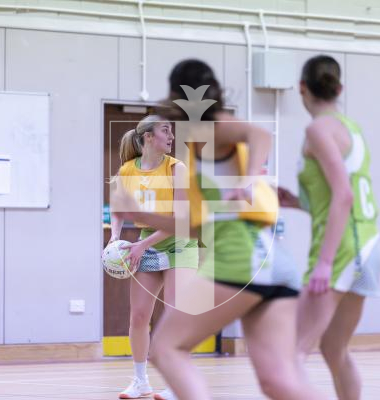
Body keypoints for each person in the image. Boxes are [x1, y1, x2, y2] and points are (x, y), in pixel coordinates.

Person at [112, 59, 326, 400]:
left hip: (239, 260)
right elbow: (190, 226)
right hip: (273, 263)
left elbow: (259, 134)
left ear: (177, 95)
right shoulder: (198, 147)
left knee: (167, 348)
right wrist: (139, 214)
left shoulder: (210, 128)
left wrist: (248, 179)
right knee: (277, 383)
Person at [278, 54, 380, 400]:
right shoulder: (351, 129)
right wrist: (298, 202)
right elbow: (341, 193)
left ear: (301, 88)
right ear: (340, 89)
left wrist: (325, 263)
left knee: (291, 352)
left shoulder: (318, 130)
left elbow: (344, 195)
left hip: (342, 250)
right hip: (368, 245)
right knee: (334, 348)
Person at [111, 115, 198, 400]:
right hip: (147, 242)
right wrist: (114, 238)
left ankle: (176, 384)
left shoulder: (177, 168)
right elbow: (118, 209)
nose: (171, 136)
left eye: (171, 131)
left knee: (174, 316)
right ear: (148, 137)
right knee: (138, 316)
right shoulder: (127, 170)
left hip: (179, 243)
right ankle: (140, 381)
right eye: (165, 131)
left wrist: (141, 245)